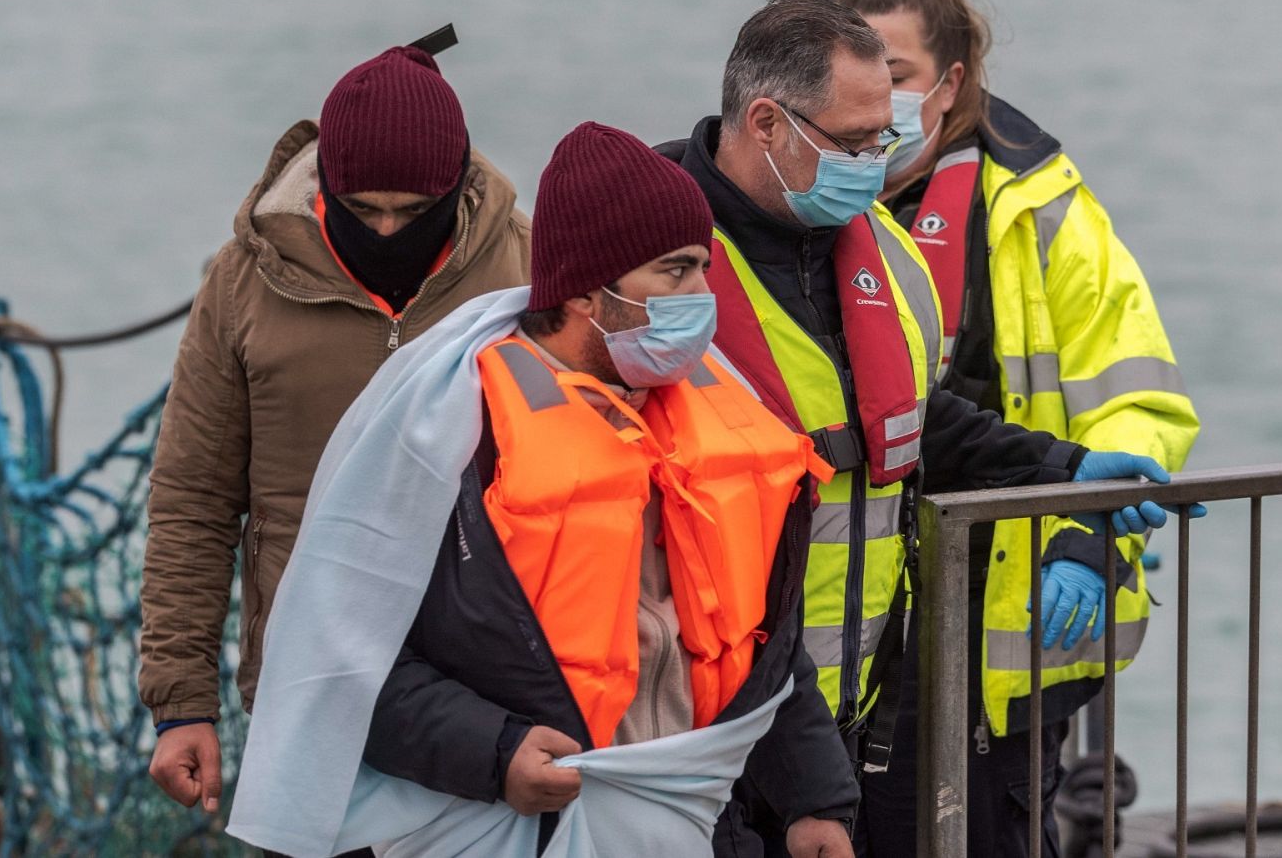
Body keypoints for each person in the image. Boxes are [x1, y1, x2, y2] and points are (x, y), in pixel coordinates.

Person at [654, 0, 1201, 855]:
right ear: (766, 122)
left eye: (884, 137)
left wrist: (1067, 468)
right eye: (855, 141)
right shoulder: (654, 255)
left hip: (861, 695)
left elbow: (912, 414)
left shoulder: (879, 248)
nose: (878, 161)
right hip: (700, 714)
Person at [225, 122, 858, 858]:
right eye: (675, 272)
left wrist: (816, 799)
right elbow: (342, 662)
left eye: (702, 269)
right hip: (512, 824)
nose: (701, 295)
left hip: (697, 817)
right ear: (589, 291)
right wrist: (495, 753)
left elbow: (765, 644)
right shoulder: (455, 432)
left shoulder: (724, 411)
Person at [833, 0, 1201, 854]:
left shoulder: (1043, 214)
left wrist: (1085, 536)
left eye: (900, 73)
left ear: (951, 83)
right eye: (856, 69)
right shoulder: (804, 200)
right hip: (837, 647)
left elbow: (1138, 400)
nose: (880, 97)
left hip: (1006, 633)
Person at [137, 42, 530, 833]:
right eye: (363, 208)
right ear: (326, 185)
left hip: (494, 698)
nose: (386, 228)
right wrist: (182, 703)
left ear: (455, 183)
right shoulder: (242, 282)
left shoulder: (526, 266)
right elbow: (193, 503)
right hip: (307, 688)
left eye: (413, 211)